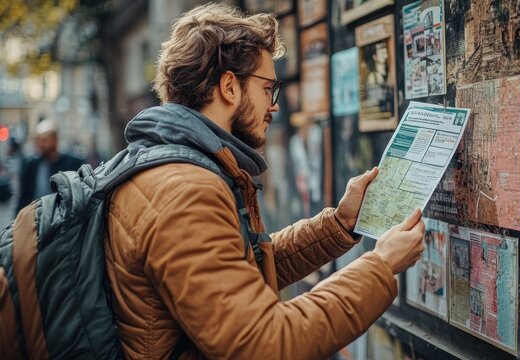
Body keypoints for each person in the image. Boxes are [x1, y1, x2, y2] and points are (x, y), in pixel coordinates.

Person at [105, 3, 425, 359]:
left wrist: (339, 224)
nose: (274, 106)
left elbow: (243, 269)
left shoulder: (176, 166)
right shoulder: (187, 192)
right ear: (229, 86)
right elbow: (264, 343)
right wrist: (380, 267)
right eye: (267, 88)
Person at [16, 118, 84, 213]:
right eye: (38, 140)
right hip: (35, 217)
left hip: (63, 218)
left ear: (55, 140)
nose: (40, 144)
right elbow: (23, 196)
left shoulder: (72, 163)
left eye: (44, 140)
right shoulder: (31, 164)